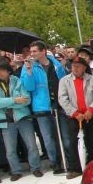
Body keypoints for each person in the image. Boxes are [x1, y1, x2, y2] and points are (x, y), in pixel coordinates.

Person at [20, 40, 69, 173]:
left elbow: (64, 81)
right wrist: (29, 72)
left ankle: (68, 159)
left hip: (59, 104)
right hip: (41, 106)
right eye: (31, 51)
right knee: (48, 138)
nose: (32, 54)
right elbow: (28, 87)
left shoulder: (56, 64)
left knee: (65, 136)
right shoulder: (28, 67)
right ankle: (55, 162)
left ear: (43, 51)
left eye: (35, 51)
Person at [0, 61, 42, 181]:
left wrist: (6, 103)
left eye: (2, 69)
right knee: (10, 149)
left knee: (31, 145)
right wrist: (15, 100)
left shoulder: (18, 81)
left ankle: (35, 167)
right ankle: (16, 171)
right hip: (5, 120)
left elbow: (26, 100)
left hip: (23, 117)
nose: (0, 73)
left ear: (8, 70)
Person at [58, 57, 93, 177]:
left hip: (91, 116)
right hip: (74, 117)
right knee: (73, 142)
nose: (75, 68)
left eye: (78, 66)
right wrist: (75, 113)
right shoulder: (64, 81)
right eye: (74, 66)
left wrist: (91, 110)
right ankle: (75, 169)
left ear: (84, 67)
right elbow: (62, 99)